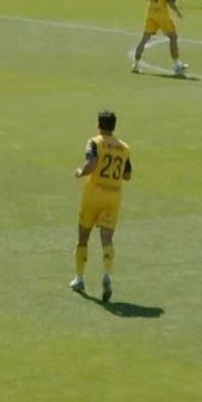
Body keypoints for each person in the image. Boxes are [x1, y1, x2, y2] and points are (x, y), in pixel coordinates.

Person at [69, 109, 131, 303]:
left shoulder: (94, 142)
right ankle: (107, 274)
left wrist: (80, 171)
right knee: (107, 239)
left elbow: (92, 163)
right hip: (113, 196)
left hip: (93, 194)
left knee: (83, 236)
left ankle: (79, 278)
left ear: (98, 125)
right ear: (114, 126)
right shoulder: (124, 147)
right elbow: (127, 175)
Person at [131, 0, 187, 76]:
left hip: (150, 13)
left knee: (144, 39)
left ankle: (135, 65)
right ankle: (177, 65)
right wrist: (177, 11)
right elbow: (170, 2)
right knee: (173, 37)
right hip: (162, 14)